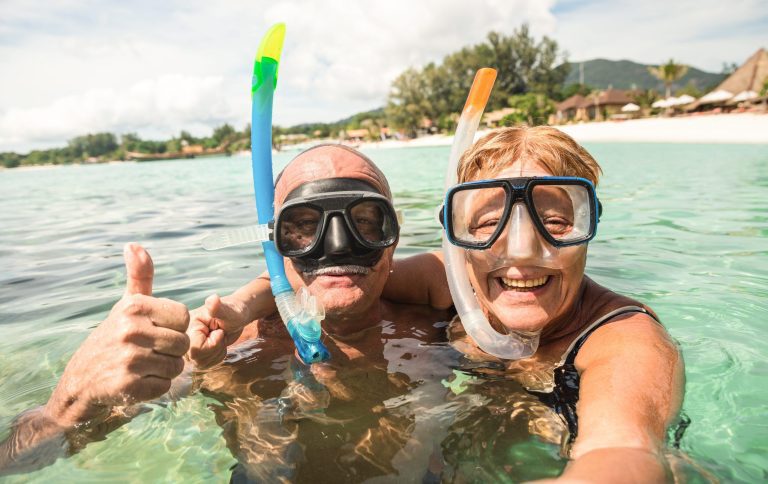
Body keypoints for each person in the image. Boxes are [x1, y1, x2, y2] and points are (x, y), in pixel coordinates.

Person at [0, 145, 454, 481]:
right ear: (273, 243)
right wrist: (69, 405)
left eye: (367, 222)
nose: (338, 246)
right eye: (304, 227)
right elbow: (17, 463)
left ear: (393, 236)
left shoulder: (442, 320)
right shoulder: (225, 348)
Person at [383, 126, 686, 482]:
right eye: (490, 223)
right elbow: (348, 283)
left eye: (555, 222)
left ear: (589, 223)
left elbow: (621, 451)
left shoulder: (626, 341)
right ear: (457, 236)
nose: (521, 249)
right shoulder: (450, 280)